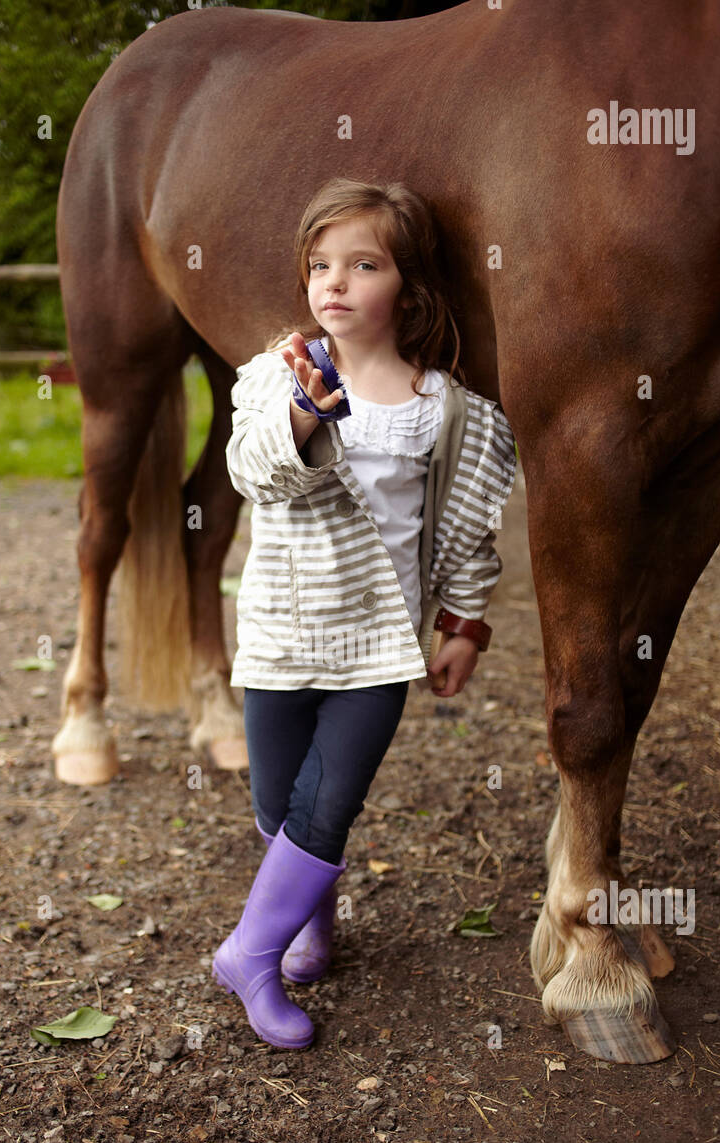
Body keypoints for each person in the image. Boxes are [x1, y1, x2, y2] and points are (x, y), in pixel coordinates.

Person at [212, 177, 517, 1049]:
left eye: (362, 264)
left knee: (329, 802)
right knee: (278, 806)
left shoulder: (444, 409)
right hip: (281, 632)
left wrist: (463, 623)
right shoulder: (282, 378)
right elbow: (253, 472)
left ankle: (251, 954)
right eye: (319, 264)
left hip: (379, 647)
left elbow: (462, 527)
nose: (333, 282)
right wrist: (308, 419)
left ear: (408, 288)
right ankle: (306, 918)